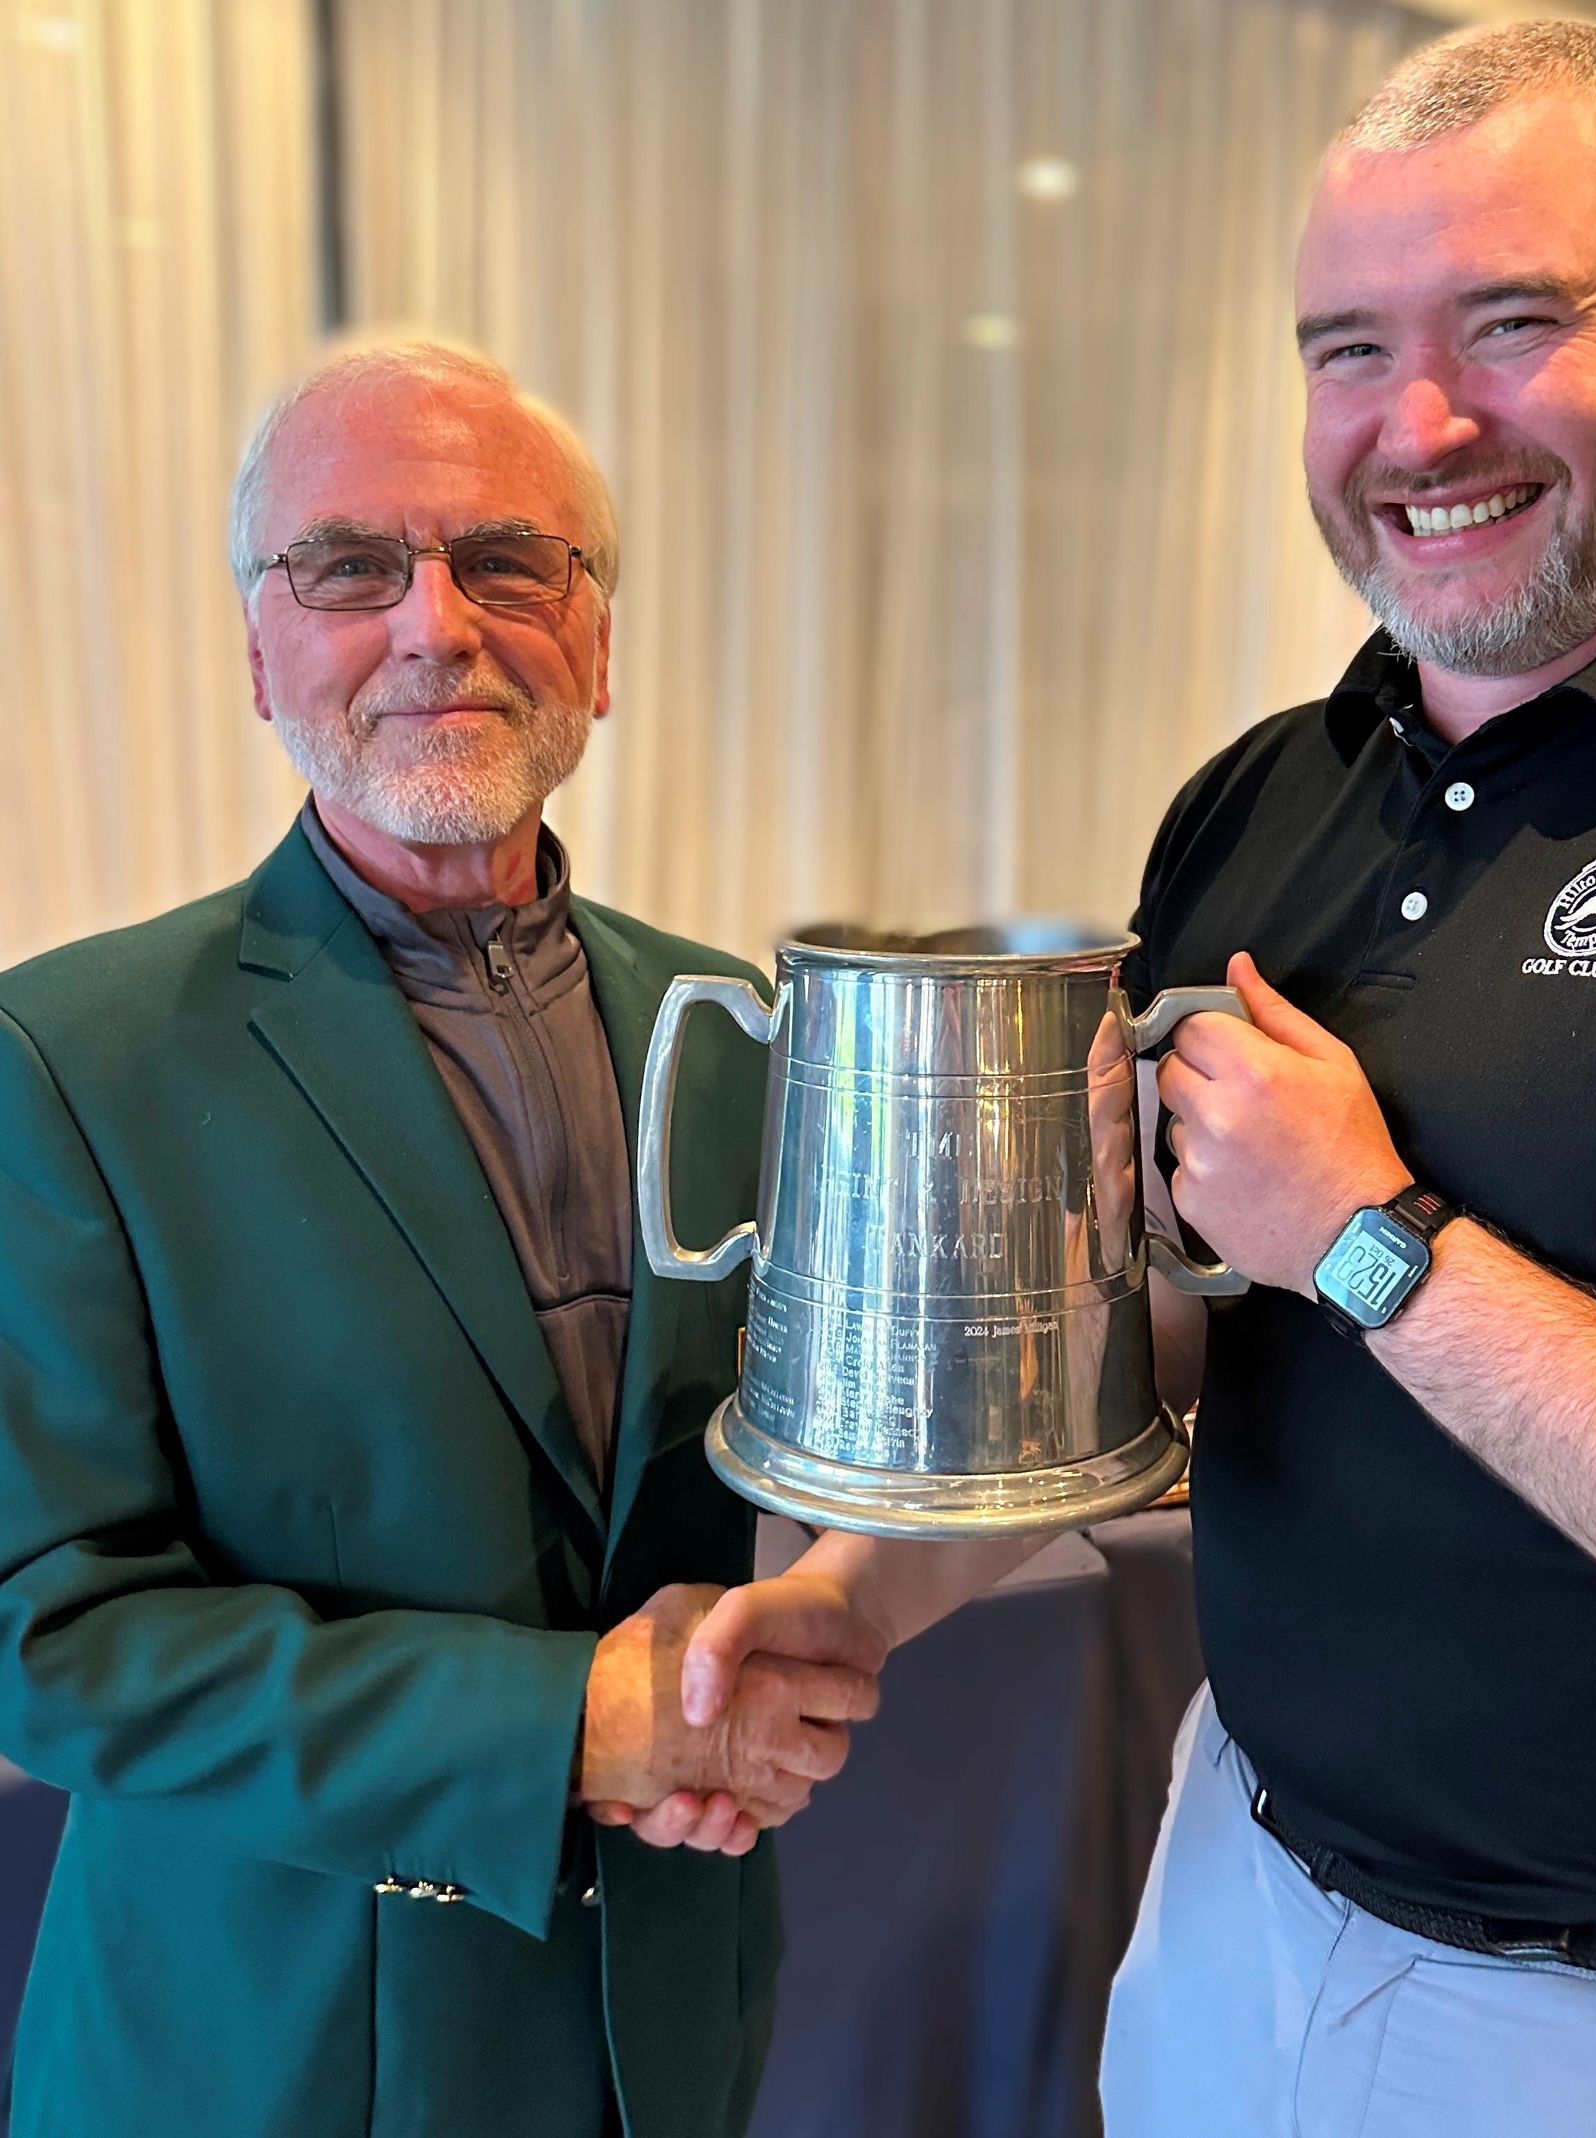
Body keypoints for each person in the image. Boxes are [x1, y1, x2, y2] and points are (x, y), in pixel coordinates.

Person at [666, 21, 1596, 2134]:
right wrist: (848, 1603)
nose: (1418, 426)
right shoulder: (1257, 802)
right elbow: (1165, 1344)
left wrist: (1372, 1239)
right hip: (1233, 1895)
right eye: (1349, 349)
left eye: (1512, 322)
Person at [0, 341, 883, 2138]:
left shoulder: (738, 1024)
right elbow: (47, 1632)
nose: (436, 624)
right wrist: (568, 1721)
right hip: (271, 2060)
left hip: (667, 2016)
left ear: (598, 643)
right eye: (351, 566)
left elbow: (803, 1453)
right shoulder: (70, 1061)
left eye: (507, 562)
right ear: (260, 651)